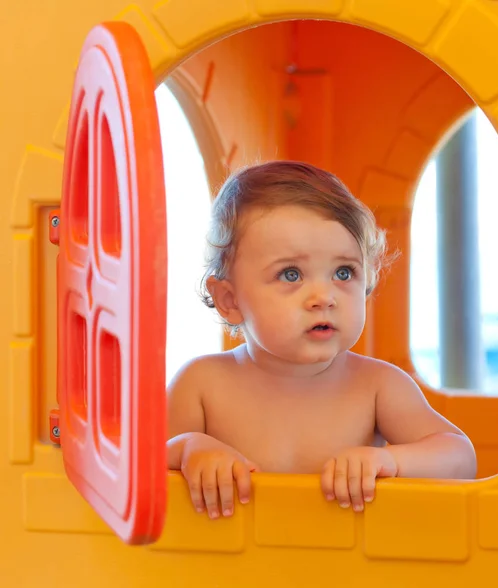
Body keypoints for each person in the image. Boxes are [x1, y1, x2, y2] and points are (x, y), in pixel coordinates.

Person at [166, 160, 477, 520]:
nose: (324, 297)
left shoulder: (376, 386)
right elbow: (138, 465)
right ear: (230, 301)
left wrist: (389, 459)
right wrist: (189, 449)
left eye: (343, 272)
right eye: (291, 273)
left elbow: (460, 457)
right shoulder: (202, 384)